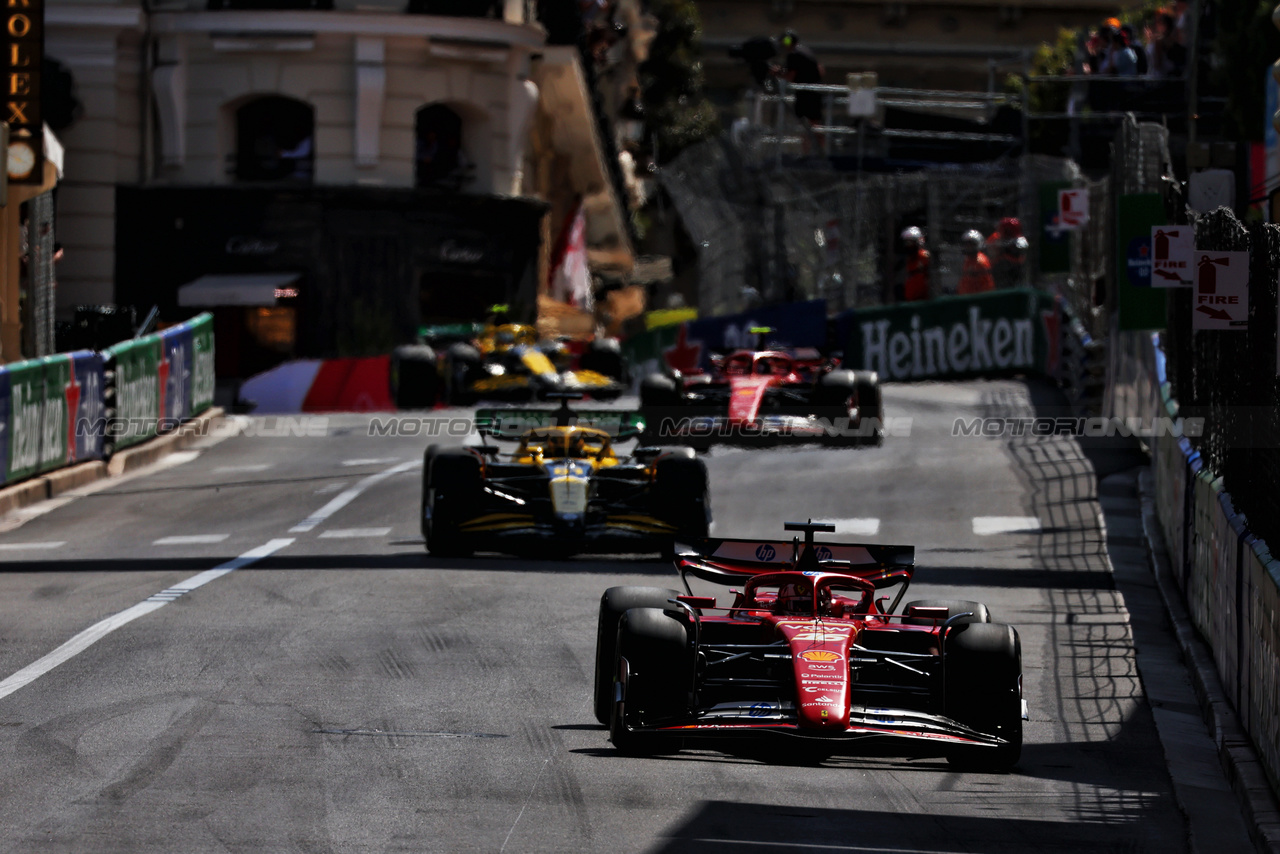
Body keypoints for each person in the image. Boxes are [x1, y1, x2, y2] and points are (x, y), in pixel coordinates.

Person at [778, 30, 824, 152]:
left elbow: (791, 76)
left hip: (805, 93)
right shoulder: (806, 51)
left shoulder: (793, 54)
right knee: (814, 123)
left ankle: (808, 152)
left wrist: (778, 74)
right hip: (815, 90)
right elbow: (820, 70)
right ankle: (818, 151)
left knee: (806, 124)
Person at [957, 230, 995, 295]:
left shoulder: (980, 261)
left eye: (971, 245)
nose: (968, 247)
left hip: (978, 297)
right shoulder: (968, 259)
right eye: (966, 244)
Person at [899, 226, 931, 301]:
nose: (908, 245)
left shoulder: (924, 256)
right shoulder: (909, 259)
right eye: (906, 242)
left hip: (923, 300)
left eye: (910, 242)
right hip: (911, 299)